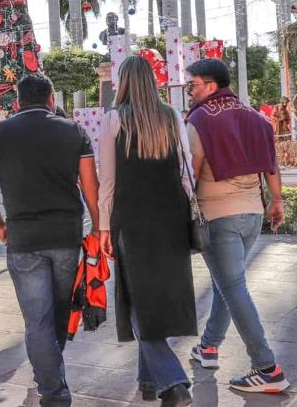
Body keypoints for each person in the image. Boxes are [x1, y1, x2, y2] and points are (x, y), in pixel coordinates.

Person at [0, 73, 102, 406]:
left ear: (18, 101)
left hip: (23, 238)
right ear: (51, 99)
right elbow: (91, 185)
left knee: (38, 320)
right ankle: (50, 380)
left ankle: (52, 388)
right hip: (65, 235)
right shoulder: (72, 131)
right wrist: (98, 225)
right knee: (58, 314)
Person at [185, 59, 290, 394]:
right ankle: (209, 347)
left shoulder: (199, 119)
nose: (190, 90)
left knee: (233, 288)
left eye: (194, 84)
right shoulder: (256, 118)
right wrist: (277, 201)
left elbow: (191, 172)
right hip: (253, 214)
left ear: (211, 86)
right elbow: (271, 166)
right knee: (225, 285)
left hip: (218, 216)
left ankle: (266, 367)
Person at [98, 56, 195, 406]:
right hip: (170, 218)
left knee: (138, 300)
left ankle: (172, 382)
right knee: (156, 295)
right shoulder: (171, 116)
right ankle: (149, 381)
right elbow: (186, 172)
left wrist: (103, 227)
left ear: (122, 83)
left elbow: (107, 180)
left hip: (132, 219)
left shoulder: (113, 120)